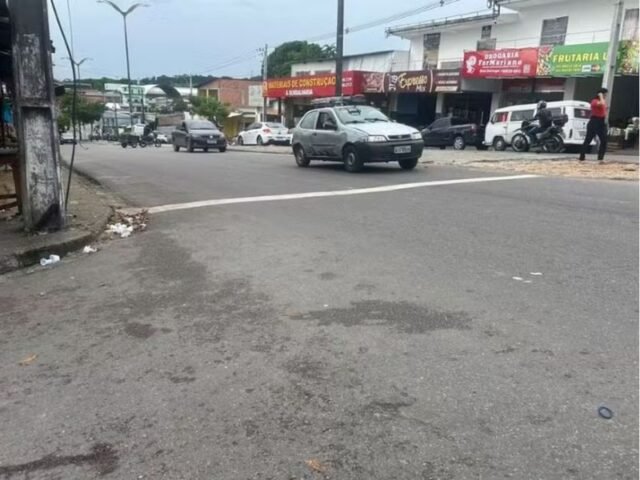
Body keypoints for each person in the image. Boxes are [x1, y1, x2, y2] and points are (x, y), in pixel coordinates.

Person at [579, 88, 608, 163]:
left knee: (604, 140)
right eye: (605, 94)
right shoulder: (594, 101)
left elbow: (603, 109)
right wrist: (601, 96)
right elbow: (601, 103)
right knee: (588, 140)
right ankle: (582, 157)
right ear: (600, 94)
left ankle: (600, 158)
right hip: (594, 121)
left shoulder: (602, 101)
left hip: (601, 122)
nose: (605, 96)